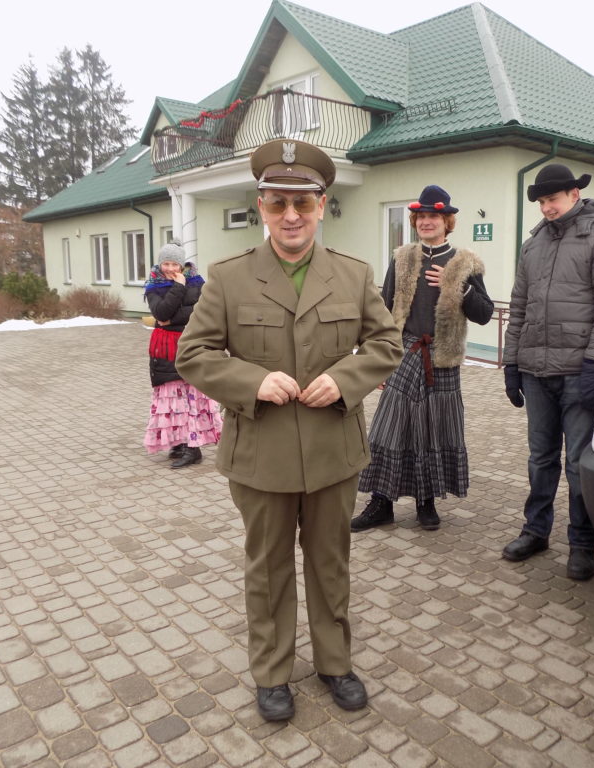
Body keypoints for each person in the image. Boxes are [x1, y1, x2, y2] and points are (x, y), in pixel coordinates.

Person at [175, 139, 402, 722]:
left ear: (321, 205)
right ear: (262, 207)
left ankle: (334, 662)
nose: (291, 215)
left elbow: (386, 343)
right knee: (268, 568)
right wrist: (251, 380)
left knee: (330, 563)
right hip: (261, 454)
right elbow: (193, 354)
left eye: (302, 202)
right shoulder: (228, 278)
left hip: (333, 450)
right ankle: (273, 673)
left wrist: (345, 379)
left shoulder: (353, 274)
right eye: (278, 203)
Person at [501, 163, 594, 579]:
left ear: (575, 194)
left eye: (552, 199)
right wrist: (511, 361)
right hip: (536, 371)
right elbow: (518, 307)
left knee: (577, 463)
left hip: (578, 371)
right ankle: (535, 531)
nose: (546, 208)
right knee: (540, 459)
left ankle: (582, 544)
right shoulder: (533, 244)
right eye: (541, 201)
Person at [351, 185, 493, 532]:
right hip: (404, 353)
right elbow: (384, 310)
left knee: (433, 432)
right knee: (390, 427)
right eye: (421, 217)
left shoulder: (465, 263)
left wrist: (456, 285)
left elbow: (484, 314)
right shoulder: (402, 258)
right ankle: (381, 503)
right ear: (415, 222)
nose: (427, 222)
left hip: (442, 359)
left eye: (434, 216)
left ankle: (426, 502)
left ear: (447, 222)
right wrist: (377, 361)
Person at [142, 241, 221, 468]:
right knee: (172, 396)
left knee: (190, 396)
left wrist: (172, 318)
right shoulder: (153, 285)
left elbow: (202, 310)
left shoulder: (197, 282)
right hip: (165, 348)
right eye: (165, 263)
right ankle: (178, 442)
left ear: (182, 264)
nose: (169, 268)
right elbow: (161, 312)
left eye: (174, 264)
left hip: (190, 343)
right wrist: (178, 287)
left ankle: (193, 448)